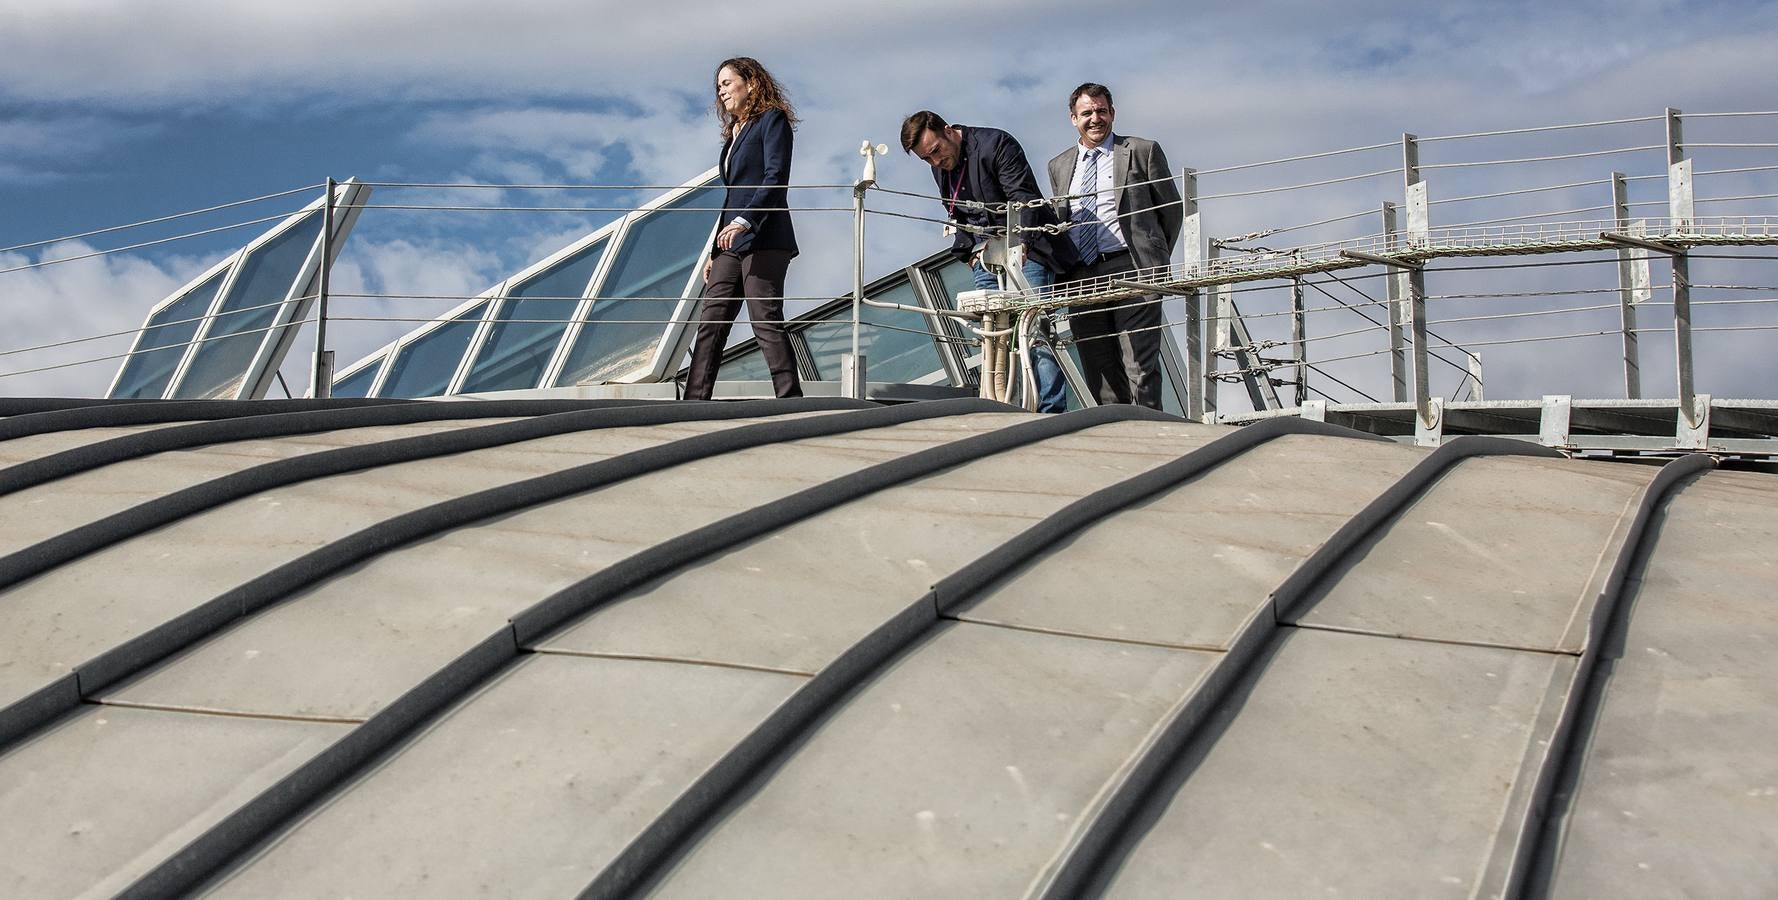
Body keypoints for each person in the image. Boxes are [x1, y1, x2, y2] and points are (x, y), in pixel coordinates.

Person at [900, 110, 1079, 413]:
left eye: (935, 151)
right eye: (926, 160)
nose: (935, 162)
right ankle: (1005, 409)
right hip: (983, 257)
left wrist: (1019, 245)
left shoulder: (996, 143)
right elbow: (955, 212)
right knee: (994, 340)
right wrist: (970, 256)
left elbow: (1023, 198)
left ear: (947, 130)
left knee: (1032, 332)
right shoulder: (939, 166)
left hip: (1027, 252)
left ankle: (1050, 412)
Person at [1046, 83, 1183, 410]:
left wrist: (1154, 259)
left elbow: (1171, 211)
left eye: (1101, 111)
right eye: (1087, 113)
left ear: (1112, 113)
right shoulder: (1059, 165)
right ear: (1073, 118)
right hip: (1081, 277)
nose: (1095, 119)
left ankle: (1151, 429)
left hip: (1132, 269)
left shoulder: (1141, 151)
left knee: (1139, 364)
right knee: (1099, 368)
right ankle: (1118, 435)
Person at [684, 57, 802, 401]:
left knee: (764, 318)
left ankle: (790, 399)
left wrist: (744, 221)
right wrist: (713, 252)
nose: (721, 91)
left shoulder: (772, 120)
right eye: (718, 86)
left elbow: (775, 178)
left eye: (726, 83)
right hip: (730, 244)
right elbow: (732, 196)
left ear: (751, 82)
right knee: (711, 321)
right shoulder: (732, 136)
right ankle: (694, 402)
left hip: (765, 235)